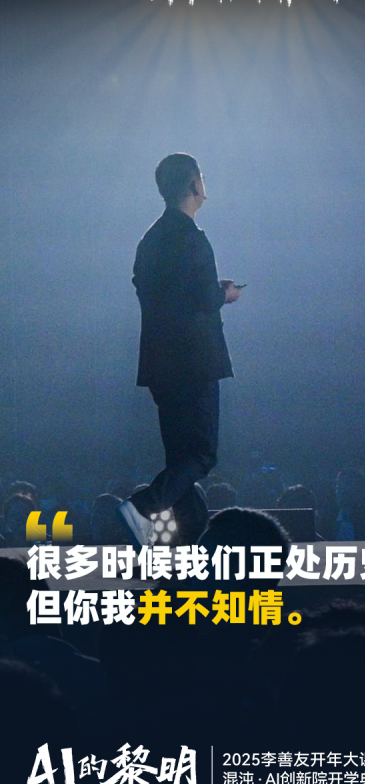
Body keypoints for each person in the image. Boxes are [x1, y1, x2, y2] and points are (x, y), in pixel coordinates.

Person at [118, 153, 243, 547]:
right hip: (195, 361)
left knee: (180, 459)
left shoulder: (151, 238)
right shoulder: (192, 237)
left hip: (160, 364)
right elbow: (201, 297)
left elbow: (152, 289)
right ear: (194, 185)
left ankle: (191, 542)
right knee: (201, 454)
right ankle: (143, 506)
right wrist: (223, 294)